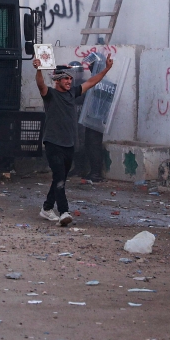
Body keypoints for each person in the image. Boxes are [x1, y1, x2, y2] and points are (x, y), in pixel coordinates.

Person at [32, 54, 113, 226]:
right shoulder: (50, 95)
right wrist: (39, 69)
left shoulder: (72, 94)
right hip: (53, 143)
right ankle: (64, 212)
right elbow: (40, 84)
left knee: (59, 178)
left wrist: (106, 69)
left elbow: (91, 82)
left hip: (69, 144)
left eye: (70, 79)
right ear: (58, 80)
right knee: (60, 178)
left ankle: (47, 208)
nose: (69, 82)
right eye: (66, 79)